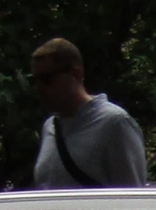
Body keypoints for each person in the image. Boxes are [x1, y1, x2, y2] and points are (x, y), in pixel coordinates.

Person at [28, 38, 148, 188]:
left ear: (75, 75)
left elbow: (132, 198)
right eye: (35, 80)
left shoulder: (114, 123)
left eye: (47, 79)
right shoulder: (50, 127)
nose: (39, 88)